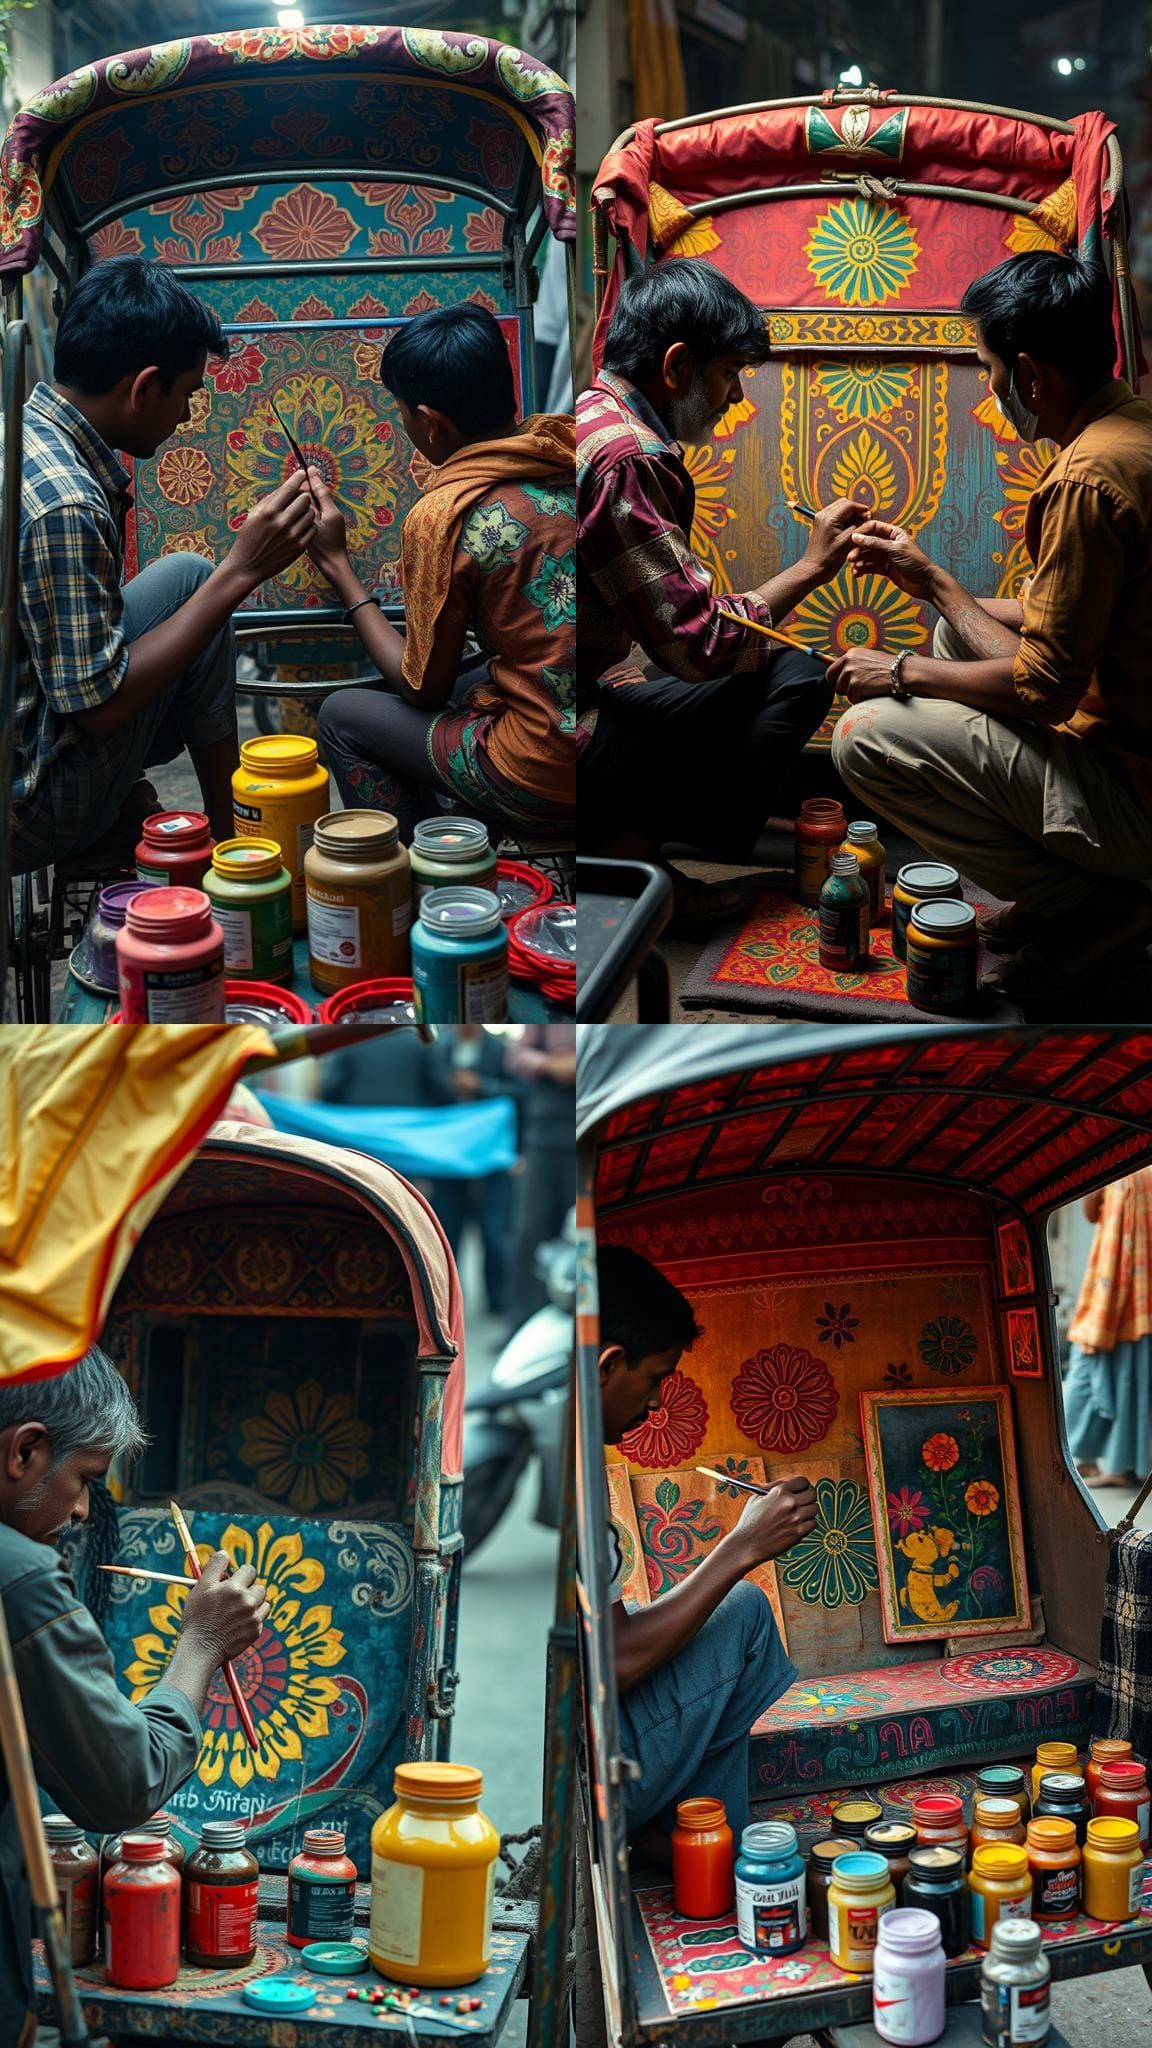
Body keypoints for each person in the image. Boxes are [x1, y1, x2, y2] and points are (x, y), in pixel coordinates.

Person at [829, 252, 1152, 1003]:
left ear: (1033, 376)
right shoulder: (1131, 433)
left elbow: (1043, 688)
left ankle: (1099, 905)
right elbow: (1067, 623)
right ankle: (1061, 891)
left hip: (1135, 788)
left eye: (992, 371)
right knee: (953, 634)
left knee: (866, 734)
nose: (995, 390)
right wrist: (933, 580)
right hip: (1128, 737)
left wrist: (897, 672)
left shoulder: (1085, 481)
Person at [577, 259, 865, 924]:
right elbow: (698, 647)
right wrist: (811, 568)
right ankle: (630, 853)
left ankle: (629, 843)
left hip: (579, 686)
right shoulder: (629, 458)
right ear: (677, 366)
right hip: (567, 721)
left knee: (776, 665)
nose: (736, 396)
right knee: (797, 678)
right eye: (729, 372)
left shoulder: (596, 413)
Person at [10, 257, 316, 874]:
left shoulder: (22, 432)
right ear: (145, 387)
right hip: (26, 805)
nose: (184, 415)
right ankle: (237, 860)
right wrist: (242, 572)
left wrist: (217, 581)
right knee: (210, 591)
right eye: (186, 395)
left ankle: (225, 832)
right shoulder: (67, 503)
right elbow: (96, 707)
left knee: (186, 578)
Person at [0, 1346, 268, 2046]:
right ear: (25, 1451)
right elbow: (124, 1780)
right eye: (85, 1478)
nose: (87, 1508)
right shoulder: (20, 1579)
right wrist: (201, 1649)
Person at [311, 305, 576, 841]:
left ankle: (430, 874)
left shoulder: (447, 512)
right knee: (475, 674)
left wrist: (340, 567)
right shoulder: (563, 453)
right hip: (604, 743)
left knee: (341, 715)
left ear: (430, 422)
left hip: (544, 775)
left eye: (402, 413)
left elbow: (421, 689)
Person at [598, 1246, 815, 1848]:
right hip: (590, 1765)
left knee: (733, 1610)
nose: (657, 1403)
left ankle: (693, 1837)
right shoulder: (573, 1483)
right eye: (656, 1379)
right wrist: (743, 1546)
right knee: (744, 1612)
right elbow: (612, 1663)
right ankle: (708, 1842)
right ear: (607, 1366)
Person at [1063, 1168, 1152, 1488]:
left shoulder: (1120, 1167)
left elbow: (1088, 1212)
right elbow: (1090, 1214)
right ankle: (1113, 1463)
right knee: (1127, 1381)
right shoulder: (1121, 1169)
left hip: (1126, 1297)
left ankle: (1109, 1464)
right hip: (1126, 1297)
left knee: (1112, 1378)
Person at [428, 1028, 521, 1319]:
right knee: (446, 1228)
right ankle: (445, 1301)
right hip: (450, 1156)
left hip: (492, 1154)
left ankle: (499, 1301)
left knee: (494, 1230)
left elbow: (520, 1094)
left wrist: (481, 1086)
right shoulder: (438, 1050)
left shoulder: (501, 1049)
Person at [505, 1025, 575, 1321]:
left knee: (584, 1232)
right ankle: (523, 1324)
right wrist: (550, 1065)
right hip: (544, 1136)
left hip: (591, 1128)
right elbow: (515, 1056)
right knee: (530, 1234)